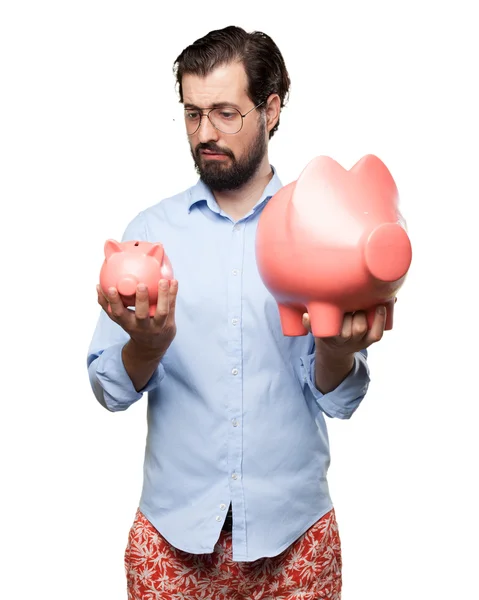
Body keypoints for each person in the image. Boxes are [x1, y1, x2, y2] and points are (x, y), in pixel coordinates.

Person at [87, 25, 387, 600]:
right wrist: (144, 348)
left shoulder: (322, 230)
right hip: (170, 541)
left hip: (295, 538)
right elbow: (108, 388)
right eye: (193, 114)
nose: (205, 133)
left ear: (270, 111)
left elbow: (339, 399)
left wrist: (338, 350)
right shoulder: (149, 235)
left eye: (226, 112)